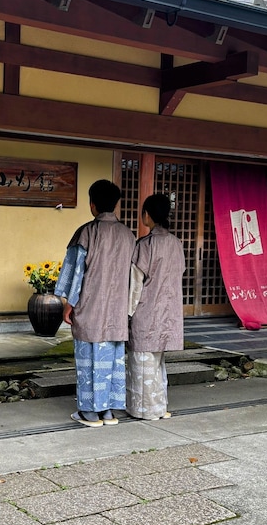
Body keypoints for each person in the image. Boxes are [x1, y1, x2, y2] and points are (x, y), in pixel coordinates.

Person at [54, 179, 136, 427]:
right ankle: (108, 411)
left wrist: (69, 302)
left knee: (88, 360)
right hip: (116, 310)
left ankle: (89, 413)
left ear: (92, 204)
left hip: (90, 306)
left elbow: (76, 271)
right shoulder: (128, 235)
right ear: (116, 203)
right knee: (112, 359)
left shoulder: (86, 232)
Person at [126, 193, 185, 420]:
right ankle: (160, 407)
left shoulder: (145, 245)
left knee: (142, 365)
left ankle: (145, 410)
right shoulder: (176, 244)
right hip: (169, 313)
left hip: (147, 312)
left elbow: (135, 285)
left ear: (147, 215)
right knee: (158, 365)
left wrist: (128, 313)